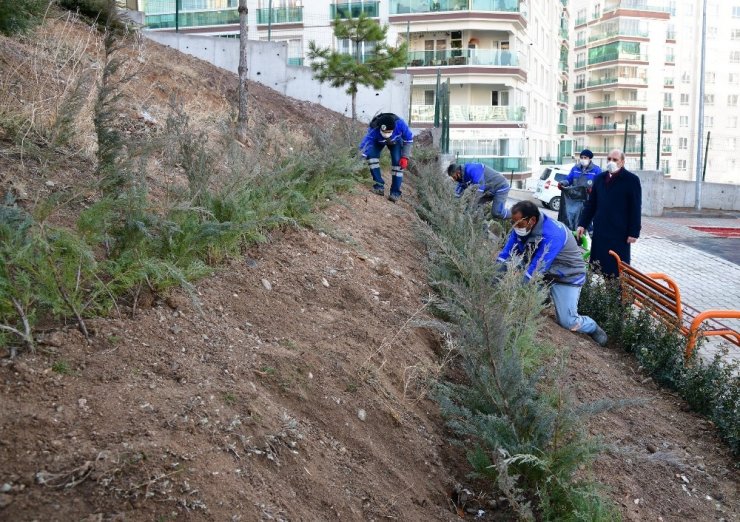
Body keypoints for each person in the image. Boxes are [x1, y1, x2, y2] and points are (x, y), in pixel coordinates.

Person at [496, 200, 608, 346]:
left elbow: (536, 269)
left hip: (567, 276)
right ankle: (544, 297)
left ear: (532, 220)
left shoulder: (553, 234)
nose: (515, 226)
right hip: (547, 273)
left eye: (518, 223)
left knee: (568, 322)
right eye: (513, 222)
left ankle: (592, 326)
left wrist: (512, 294)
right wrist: (493, 275)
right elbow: (507, 254)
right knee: (514, 267)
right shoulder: (521, 226)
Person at [577, 149, 641, 277]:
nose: (611, 162)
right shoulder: (600, 178)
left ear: (622, 162)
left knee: (618, 269)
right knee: (599, 267)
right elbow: (591, 204)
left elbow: (635, 207)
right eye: (609, 159)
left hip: (620, 233)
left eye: (615, 160)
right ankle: (605, 295)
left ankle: (619, 296)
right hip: (601, 230)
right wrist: (582, 224)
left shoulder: (631, 180)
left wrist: (634, 232)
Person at [359, 113, 413, 203]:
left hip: (395, 141)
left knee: (398, 163)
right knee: (371, 157)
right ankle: (379, 187)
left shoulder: (400, 124)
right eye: (384, 132)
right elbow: (366, 145)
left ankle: (395, 193)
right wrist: (359, 160)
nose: (386, 134)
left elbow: (408, 139)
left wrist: (405, 157)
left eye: (389, 132)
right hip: (378, 141)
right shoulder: (374, 128)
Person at [447, 162, 511, 219]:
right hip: (489, 190)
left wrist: (470, 208)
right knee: (474, 207)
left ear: (458, 172)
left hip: (500, 186)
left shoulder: (473, 169)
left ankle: (516, 214)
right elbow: (457, 193)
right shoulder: (462, 177)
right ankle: (481, 226)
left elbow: (480, 189)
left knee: (497, 213)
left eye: (454, 177)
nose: (454, 180)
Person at [557, 149, 601, 230]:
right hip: (575, 200)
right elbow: (569, 180)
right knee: (573, 220)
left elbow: (600, 185)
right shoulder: (575, 168)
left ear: (590, 159)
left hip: (588, 201)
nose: (583, 159)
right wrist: (562, 183)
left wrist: (593, 190)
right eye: (582, 157)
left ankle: (588, 238)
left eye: (585, 157)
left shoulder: (596, 170)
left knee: (586, 221)